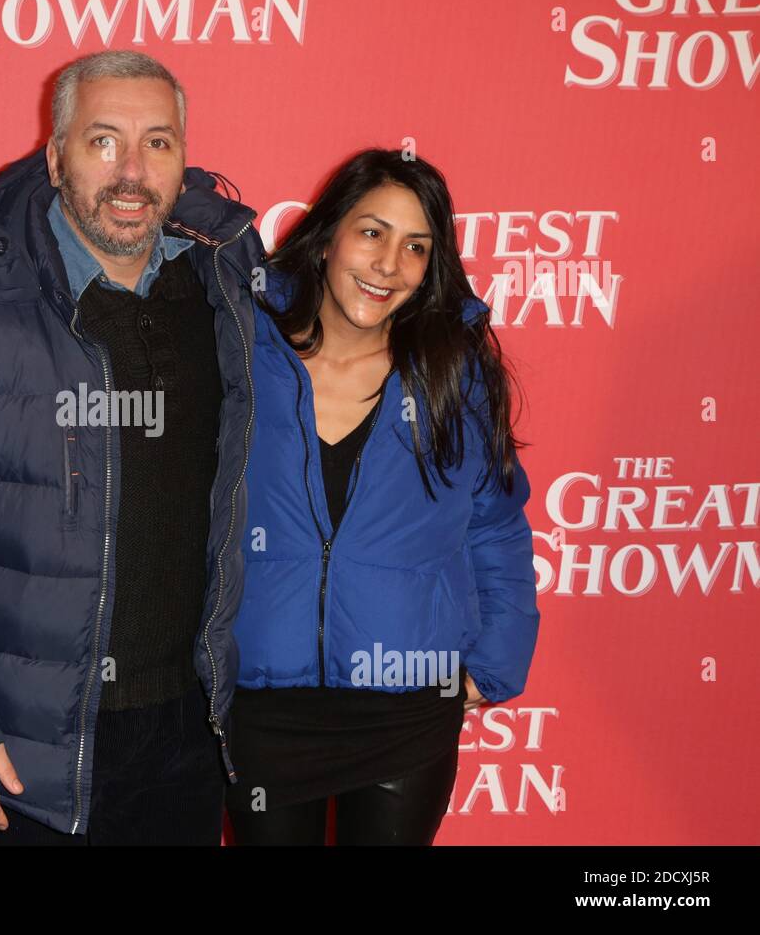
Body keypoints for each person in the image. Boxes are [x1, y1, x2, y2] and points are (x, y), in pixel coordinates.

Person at [0, 49, 265, 845]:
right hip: (18, 754)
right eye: (103, 141)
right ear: (55, 154)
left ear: (184, 161)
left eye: (159, 143)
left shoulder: (230, 301)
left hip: (185, 744)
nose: (132, 171)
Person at [224, 149, 540, 845]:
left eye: (415, 247)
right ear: (328, 235)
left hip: (406, 709)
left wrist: (495, 659)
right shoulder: (247, 353)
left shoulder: (451, 371)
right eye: (371, 232)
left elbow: (495, 525)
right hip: (263, 703)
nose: (388, 263)